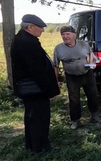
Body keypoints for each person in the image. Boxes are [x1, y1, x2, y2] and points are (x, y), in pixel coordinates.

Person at [11, 14, 60, 153]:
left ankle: (31, 145)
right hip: (35, 89)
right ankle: (41, 148)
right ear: (30, 27)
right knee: (40, 118)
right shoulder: (28, 43)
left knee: (31, 117)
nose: (43, 31)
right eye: (40, 27)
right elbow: (38, 71)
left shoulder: (22, 39)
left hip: (30, 89)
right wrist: (50, 91)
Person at [53, 26, 100, 130]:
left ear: (74, 35)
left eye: (67, 34)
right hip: (71, 76)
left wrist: (92, 62)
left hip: (87, 74)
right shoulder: (59, 48)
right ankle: (75, 120)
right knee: (74, 99)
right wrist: (55, 81)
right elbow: (55, 66)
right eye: (63, 34)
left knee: (92, 95)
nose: (65, 36)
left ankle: (94, 115)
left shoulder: (84, 44)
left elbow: (90, 57)